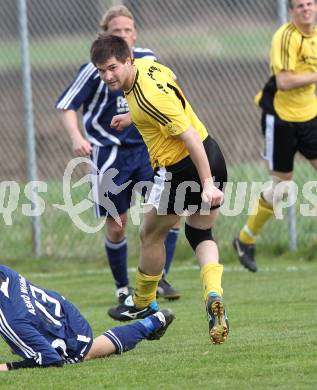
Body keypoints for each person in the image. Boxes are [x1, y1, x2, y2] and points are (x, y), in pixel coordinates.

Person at [89, 34, 229, 344]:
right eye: (100, 70)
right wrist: (133, 117)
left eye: (112, 67)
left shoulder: (149, 97)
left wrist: (206, 184)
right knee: (200, 233)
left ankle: (143, 305)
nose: (107, 76)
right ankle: (213, 295)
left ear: (127, 60)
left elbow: (187, 135)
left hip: (183, 167)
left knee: (150, 234)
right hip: (213, 152)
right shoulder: (150, 68)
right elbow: (173, 89)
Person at [55, 5, 180, 301]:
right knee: (117, 224)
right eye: (116, 32)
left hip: (150, 151)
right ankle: (123, 288)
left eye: (127, 30)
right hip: (110, 154)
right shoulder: (94, 71)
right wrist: (77, 137)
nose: (123, 35)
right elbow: (67, 104)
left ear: (134, 34)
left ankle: (159, 278)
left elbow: (168, 91)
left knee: (170, 215)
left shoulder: (148, 61)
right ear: (105, 38)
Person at [233, 0, 317, 272]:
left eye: (310, 3)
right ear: (291, 11)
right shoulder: (285, 36)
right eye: (300, 5)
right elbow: (284, 81)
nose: (306, 9)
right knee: (281, 188)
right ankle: (245, 239)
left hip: (309, 116)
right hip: (279, 117)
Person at [0, 265, 175, 371]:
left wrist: (8, 367)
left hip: (67, 330)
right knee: (23, 338)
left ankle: (150, 323)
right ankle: (154, 321)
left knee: (82, 353)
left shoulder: (11, 320)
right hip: (60, 310)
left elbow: (51, 361)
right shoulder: (6, 273)